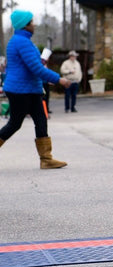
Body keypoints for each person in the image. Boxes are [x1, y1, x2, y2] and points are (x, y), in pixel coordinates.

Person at [0, 10, 71, 169]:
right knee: (14, 123)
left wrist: (46, 77)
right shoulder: (21, 42)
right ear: (25, 25)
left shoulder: (20, 40)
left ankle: (46, 159)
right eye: (32, 22)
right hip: (20, 90)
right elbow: (36, 68)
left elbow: (31, 66)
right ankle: (46, 159)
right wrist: (58, 79)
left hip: (29, 89)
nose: (35, 24)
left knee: (40, 120)